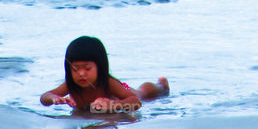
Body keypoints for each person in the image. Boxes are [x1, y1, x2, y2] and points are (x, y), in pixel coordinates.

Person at [40, 35, 169, 114]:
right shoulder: (71, 84)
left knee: (140, 93)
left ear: (100, 67)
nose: (81, 74)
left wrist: (114, 105)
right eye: (75, 69)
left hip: (124, 88)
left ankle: (161, 86)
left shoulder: (109, 83)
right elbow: (44, 97)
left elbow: (136, 102)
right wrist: (54, 98)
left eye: (87, 68)